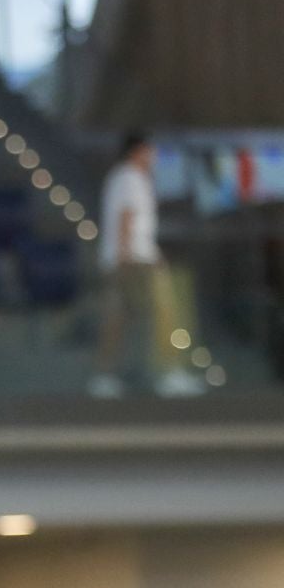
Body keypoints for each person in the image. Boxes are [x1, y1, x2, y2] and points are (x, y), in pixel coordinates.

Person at [90, 132, 203, 399]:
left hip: (131, 257)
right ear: (137, 151)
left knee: (120, 318)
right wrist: (127, 255)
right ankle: (167, 373)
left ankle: (106, 376)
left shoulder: (123, 177)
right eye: (150, 151)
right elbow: (126, 217)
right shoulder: (130, 177)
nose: (154, 157)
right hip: (134, 260)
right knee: (161, 314)